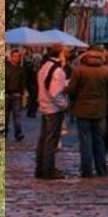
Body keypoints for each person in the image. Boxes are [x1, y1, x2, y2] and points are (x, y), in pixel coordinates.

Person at [65, 47, 108, 178]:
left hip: (82, 111)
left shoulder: (79, 71)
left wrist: (75, 101)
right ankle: (101, 169)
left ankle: (87, 170)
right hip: (100, 110)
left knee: (85, 141)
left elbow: (71, 90)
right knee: (99, 141)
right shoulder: (106, 71)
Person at [35, 45, 69, 180]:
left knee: (43, 139)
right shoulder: (57, 70)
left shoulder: (45, 66)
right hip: (53, 109)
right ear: (60, 54)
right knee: (51, 141)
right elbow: (55, 92)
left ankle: (41, 168)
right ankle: (48, 170)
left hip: (44, 106)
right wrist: (64, 104)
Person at [3, 49, 26, 141]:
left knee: (17, 116)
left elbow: (23, 83)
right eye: (15, 56)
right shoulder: (6, 68)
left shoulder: (21, 69)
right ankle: (5, 132)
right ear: (11, 57)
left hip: (16, 95)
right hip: (7, 94)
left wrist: (22, 94)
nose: (16, 58)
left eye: (18, 56)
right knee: (5, 116)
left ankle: (18, 133)